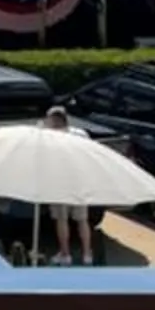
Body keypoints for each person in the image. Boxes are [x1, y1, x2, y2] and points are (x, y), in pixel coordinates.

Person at [43, 105, 95, 265]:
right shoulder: (81, 134)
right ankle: (87, 254)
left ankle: (65, 254)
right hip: (80, 181)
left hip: (60, 183)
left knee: (61, 219)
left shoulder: (48, 138)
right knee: (82, 220)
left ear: (53, 120)